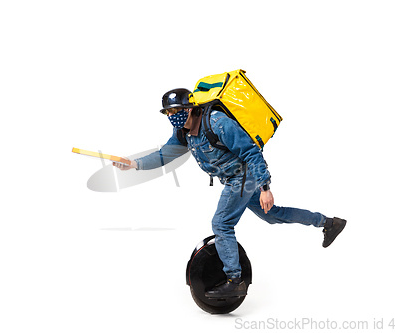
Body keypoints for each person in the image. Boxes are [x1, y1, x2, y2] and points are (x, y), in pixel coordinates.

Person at [114, 88, 347, 298]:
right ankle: (328, 222)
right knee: (273, 215)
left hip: (244, 176)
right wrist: (133, 164)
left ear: (191, 108)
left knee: (222, 223)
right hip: (234, 179)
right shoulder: (182, 133)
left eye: (177, 110)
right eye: (168, 112)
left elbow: (251, 152)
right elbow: (164, 155)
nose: (172, 116)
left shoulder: (217, 123)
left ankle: (235, 280)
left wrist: (265, 187)